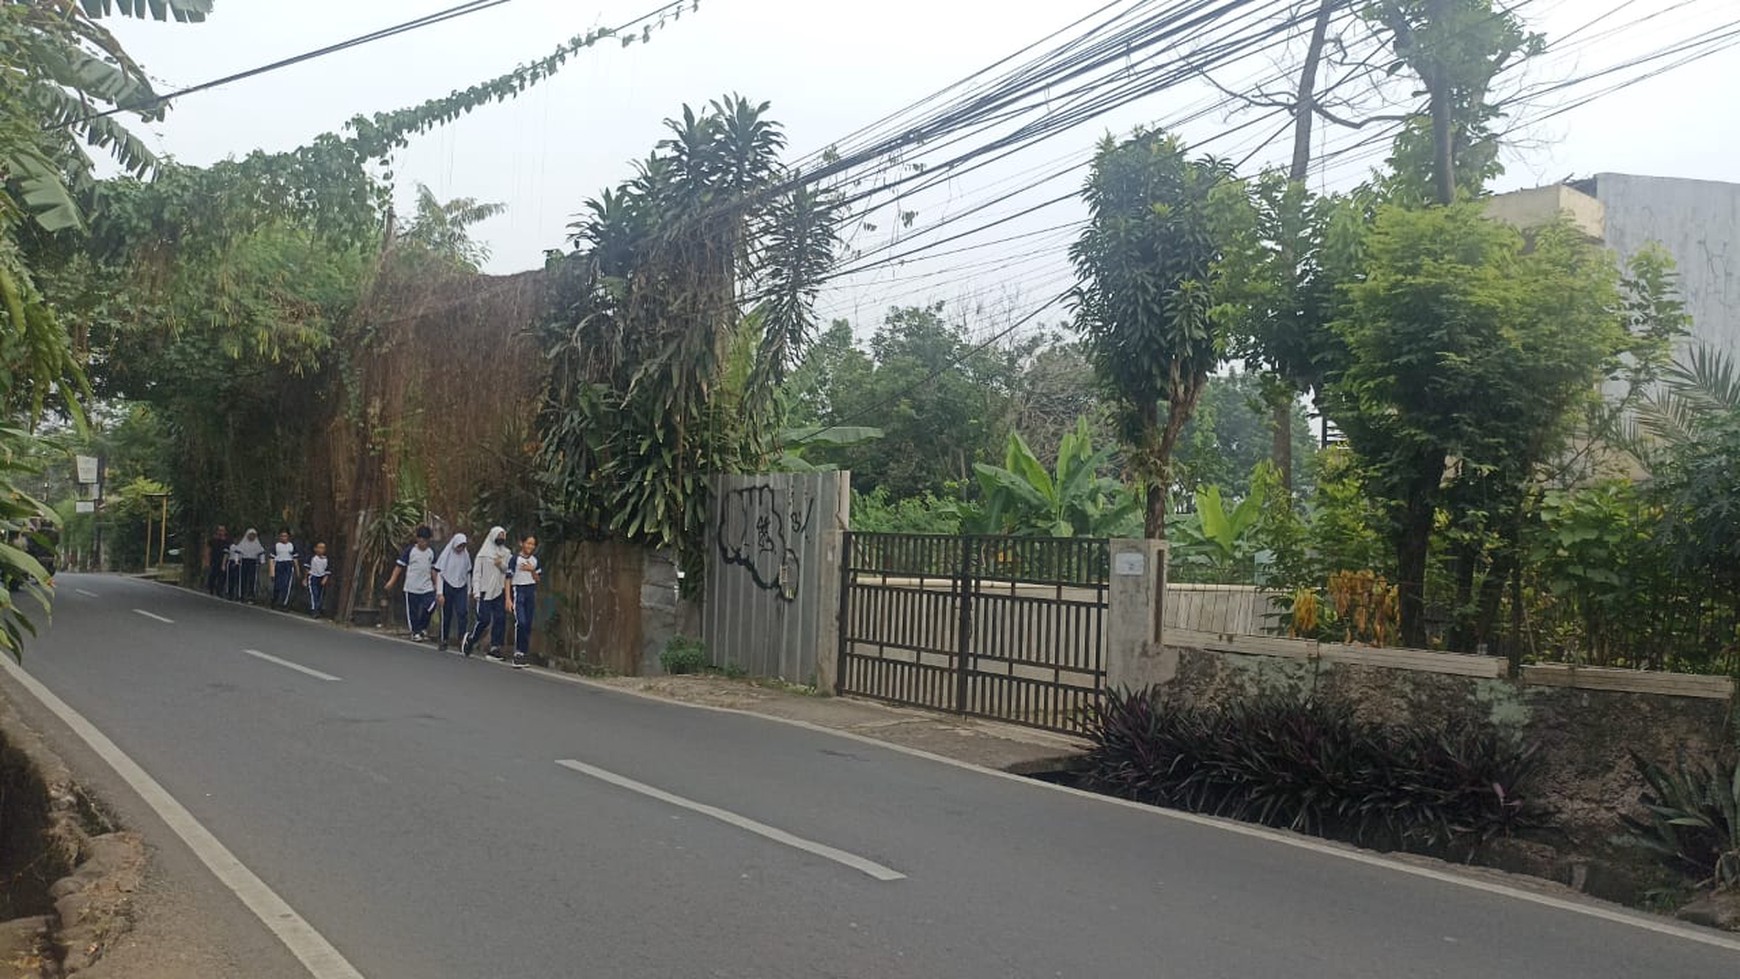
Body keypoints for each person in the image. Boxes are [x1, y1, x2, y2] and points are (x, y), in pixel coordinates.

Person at [463, 525, 511, 660]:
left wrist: (500, 564)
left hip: (499, 591)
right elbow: (477, 574)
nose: (501, 538)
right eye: (499, 536)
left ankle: (495, 647)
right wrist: (476, 591)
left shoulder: (506, 553)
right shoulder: (483, 554)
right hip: (485, 591)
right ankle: (471, 639)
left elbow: (509, 572)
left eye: (503, 536)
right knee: (484, 619)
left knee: (500, 619)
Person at [384, 526, 438, 641]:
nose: (424, 543)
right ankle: (415, 632)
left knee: (430, 605)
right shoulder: (410, 551)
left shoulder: (431, 552)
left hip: (426, 587)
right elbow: (399, 566)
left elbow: (433, 569)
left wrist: (436, 584)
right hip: (412, 587)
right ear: (417, 539)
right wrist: (392, 581)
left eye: (426, 541)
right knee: (413, 612)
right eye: (422, 540)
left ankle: (423, 627)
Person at [432, 532, 471, 653]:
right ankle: (443, 639)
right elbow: (440, 574)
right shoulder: (446, 555)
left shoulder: (465, 556)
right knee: (446, 614)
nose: (461, 548)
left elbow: (467, 573)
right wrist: (439, 593)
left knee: (462, 613)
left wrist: (469, 591)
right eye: (459, 546)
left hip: (461, 587)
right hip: (447, 586)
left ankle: (462, 640)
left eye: (463, 546)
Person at [506, 534, 541, 670]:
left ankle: (524, 652)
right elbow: (508, 578)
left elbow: (538, 579)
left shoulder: (535, 560)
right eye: (528, 543)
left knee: (528, 623)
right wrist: (508, 599)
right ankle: (518, 652)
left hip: (530, 591)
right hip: (518, 590)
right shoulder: (515, 559)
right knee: (521, 621)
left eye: (532, 544)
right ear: (522, 543)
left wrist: (532, 571)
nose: (530, 547)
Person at [234, 529, 266, 604]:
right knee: (242, 579)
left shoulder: (257, 544)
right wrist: (236, 560)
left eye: (253, 535)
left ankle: (251, 597)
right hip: (244, 561)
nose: (252, 537)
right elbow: (237, 552)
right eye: (250, 535)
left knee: (252, 580)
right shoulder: (243, 543)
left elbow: (261, 552)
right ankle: (241, 596)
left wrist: (262, 561)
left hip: (253, 562)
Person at [269, 530, 299, 609]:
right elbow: (271, 559)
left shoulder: (291, 546)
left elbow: (295, 559)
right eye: (282, 536)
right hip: (278, 565)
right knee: (277, 585)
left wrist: (297, 571)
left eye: (285, 536)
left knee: (286, 585)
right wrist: (272, 572)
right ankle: (274, 600)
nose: (283, 538)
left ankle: (285, 604)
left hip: (288, 565)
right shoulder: (276, 546)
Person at [306, 541, 332, 618]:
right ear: (315, 549)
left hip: (321, 578)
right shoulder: (312, 558)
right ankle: (314, 610)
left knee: (320, 595)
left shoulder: (326, 559)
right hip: (313, 577)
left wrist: (325, 579)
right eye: (319, 547)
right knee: (314, 594)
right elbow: (307, 568)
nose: (321, 549)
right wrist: (305, 578)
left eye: (323, 548)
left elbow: (327, 571)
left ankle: (318, 609)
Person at [204, 525, 229, 596]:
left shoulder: (227, 541)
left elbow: (227, 551)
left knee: (222, 576)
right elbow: (208, 550)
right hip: (214, 559)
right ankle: (211, 588)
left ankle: (219, 590)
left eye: (223, 530)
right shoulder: (212, 540)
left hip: (223, 560)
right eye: (220, 530)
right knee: (213, 575)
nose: (221, 532)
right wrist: (207, 560)